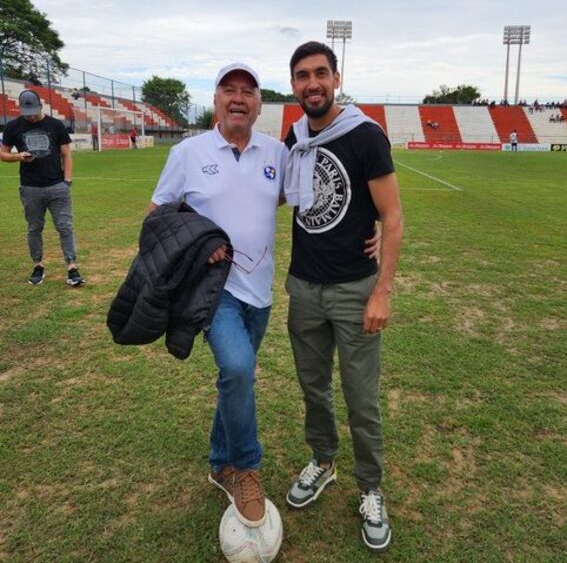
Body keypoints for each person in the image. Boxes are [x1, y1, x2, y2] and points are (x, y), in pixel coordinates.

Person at [147, 63, 286, 529]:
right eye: (230, 90)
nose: (239, 98)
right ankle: (246, 467)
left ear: (259, 104)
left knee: (235, 379)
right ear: (216, 100)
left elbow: (289, 201)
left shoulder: (276, 152)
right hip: (214, 292)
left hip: (260, 289)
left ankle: (218, 460)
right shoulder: (189, 152)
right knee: (238, 367)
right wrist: (195, 248)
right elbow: (157, 216)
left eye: (249, 91)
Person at [283, 42, 403, 553]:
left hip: (355, 290)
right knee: (313, 389)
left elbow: (393, 218)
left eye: (320, 73)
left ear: (336, 77)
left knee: (361, 398)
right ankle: (323, 460)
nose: (312, 83)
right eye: (302, 75)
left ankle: (370, 489)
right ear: (293, 84)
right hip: (304, 287)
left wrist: (382, 291)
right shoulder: (291, 137)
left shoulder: (364, 135)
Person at [0, 90, 85, 287]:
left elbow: (66, 154)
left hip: (57, 186)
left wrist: (67, 181)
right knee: (34, 228)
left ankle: (72, 267)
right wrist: (18, 156)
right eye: (26, 112)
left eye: (33, 111)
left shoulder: (55, 125)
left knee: (65, 227)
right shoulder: (13, 127)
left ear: (41, 105)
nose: (30, 116)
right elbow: (3, 154)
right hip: (30, 188)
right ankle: (38, 265)